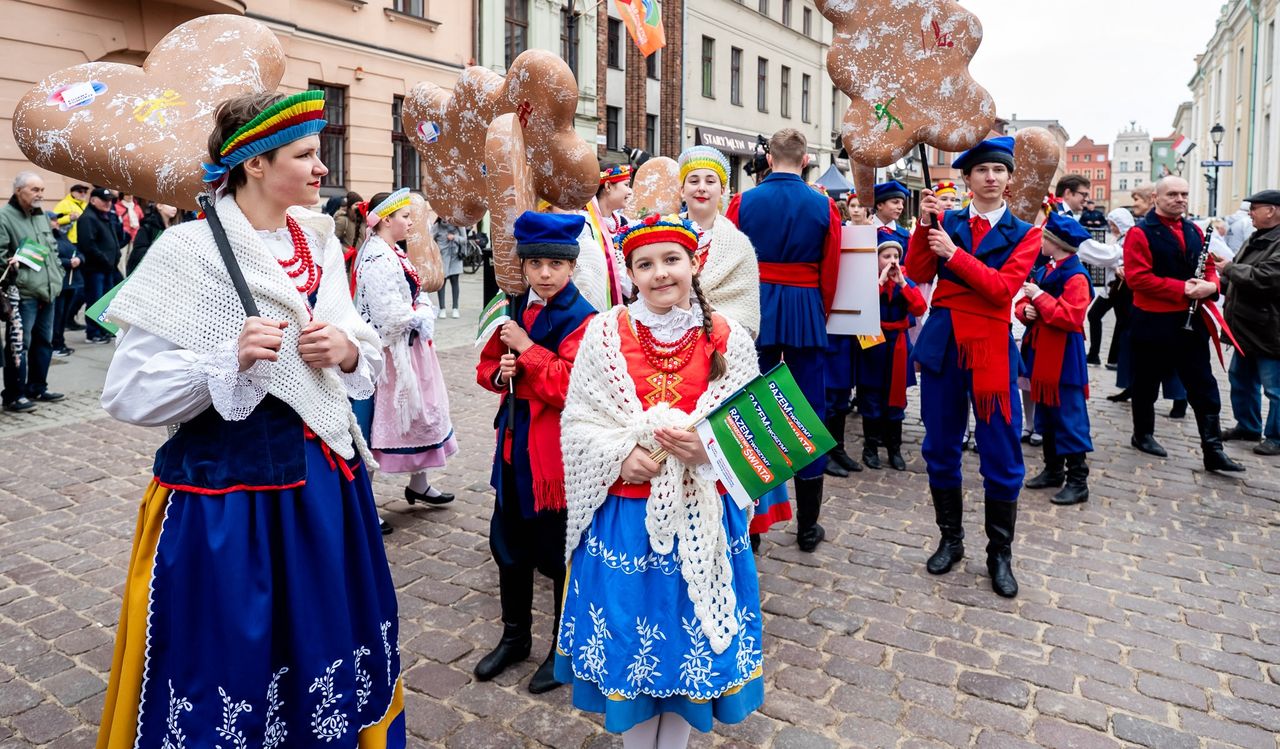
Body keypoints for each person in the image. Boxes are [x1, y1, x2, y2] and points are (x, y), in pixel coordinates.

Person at [96, 90, 405, 747]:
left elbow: (355, 333)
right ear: (255, 166)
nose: (322, 169)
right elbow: (126, 389)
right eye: (306, 155)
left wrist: (345, 347)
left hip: (323, 488)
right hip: (230, 499)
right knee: (228, 659)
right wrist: (223, 362)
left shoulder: (316, 243)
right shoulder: (188, 253)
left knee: (326, 636)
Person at [556, 213, 764, 749]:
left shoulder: (728, 338)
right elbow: (578, 419)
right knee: (634, 645)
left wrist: (708, 449)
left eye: (671, 260)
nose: (660, 273)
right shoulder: (605, 334)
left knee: (683, 650)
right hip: (626, 519)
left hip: (702, 520)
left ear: (694, 265)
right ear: (630, 275)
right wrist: (620, 453)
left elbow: (757, 433)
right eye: (644, 265)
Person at [906, 136, 1042, 598]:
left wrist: (954, 255)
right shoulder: (945, 222)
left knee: (1001, 450)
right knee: (940, 445)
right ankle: (951, 539)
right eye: (981, 170)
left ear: (1008, 179)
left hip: (990, 348)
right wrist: (923, 226)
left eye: (998, 170)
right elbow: (918, 271)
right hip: (945, 345)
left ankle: (999, 554)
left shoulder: (1027, 233)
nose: (990, 177)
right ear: (966, 179)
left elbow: (1003, 290)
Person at [474, 210, 596, 694]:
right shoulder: (510, 307)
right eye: (536, 264)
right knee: (509, 547)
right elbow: (484, 370)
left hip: (554, 461)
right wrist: (501, 372)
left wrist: (526, 349)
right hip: (513, 450)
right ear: (523, 266)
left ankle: (561, 650)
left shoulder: (584, 318)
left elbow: (573, 386)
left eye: (555, 264)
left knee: (557, 554)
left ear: (570, 267)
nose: (544, 273)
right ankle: (514, 637)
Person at [727, 128, 840, 552]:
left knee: (749, 411)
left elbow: (732, 261)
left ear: (770, 160)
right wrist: (819, 311)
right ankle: (808, 526)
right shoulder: (824, 206)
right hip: (805, 309)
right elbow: (831, 271)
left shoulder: (743, 201)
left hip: (755, 308)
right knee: (808, 412)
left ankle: (754, 527)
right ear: (806, 159)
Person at [352, 187, 458, 528]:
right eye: (405, 216)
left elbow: (413, 293)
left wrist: (422, 307)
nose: (410, 222)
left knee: (420, 418)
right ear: (385, 219)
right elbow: (389, 316)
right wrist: (421, 315)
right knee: (377, 426)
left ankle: (419, 484)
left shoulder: (391, 251)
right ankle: (364, 505)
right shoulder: (377, 258)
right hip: (390, 357)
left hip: (409, 351)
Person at [1123, 176, 1244, 473]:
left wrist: (1210, 287)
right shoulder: (1140, 233)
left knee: (1203, 383)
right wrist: (1183, 289)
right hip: (1152, 320)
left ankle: (1212, 449)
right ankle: (1143, 434)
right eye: (1173, 194)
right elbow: (1138, 278)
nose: (1180, 199)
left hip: (1191, 320)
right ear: (1156, 197)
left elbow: (1210, 268)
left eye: (1184, 194)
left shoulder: (1194, 230)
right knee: (1146, 381)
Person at [1017, 213, 1095, 505]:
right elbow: (1025, 301)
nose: (1040, 242)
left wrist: (1039, 298)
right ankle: (1053, 470)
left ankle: (1078, 479)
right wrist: (1026, 310)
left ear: (1056, 244)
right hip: (1042, 347)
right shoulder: (1048, 268)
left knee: (1069, 415)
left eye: (1044, 238)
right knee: (1047, 412)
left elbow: (1071, 316)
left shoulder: (1075, 275)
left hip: (1063, 352)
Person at [858, 232, 927, 472]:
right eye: (886, 256)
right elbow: (862, 306)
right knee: (872, 394)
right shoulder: (869, 280)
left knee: (895, 396)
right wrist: (879, 282)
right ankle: (871, 447)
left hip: (898, 342)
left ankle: (894, 448)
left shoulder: (906, 281)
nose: (892, 261)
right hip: (873, 341)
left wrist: (901, 283)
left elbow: (919, 308)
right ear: (876, 259)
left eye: (896, 256)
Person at [1219, 189, 1280, 456]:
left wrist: (1228, 269)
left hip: (1270, 328)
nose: (1250, 213)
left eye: (1255, 208)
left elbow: (1265, 277)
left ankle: (1276, 437)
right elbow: (1241, 274)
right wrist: (1217, 284)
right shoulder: (1258, 237)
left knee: (1275, 387)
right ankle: (1248, 425)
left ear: (1273, 211)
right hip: (1246, 326)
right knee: (1240, 378)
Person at [678, 145, 760, 337]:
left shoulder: (739, 245)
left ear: (722, 189)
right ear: (682, 190)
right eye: (694, 180)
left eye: (710, 181)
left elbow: (746, 315)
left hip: (718, 346)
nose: (701, 188)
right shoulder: (661, 235)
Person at [0, 171, 65, 411]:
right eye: (34, 190)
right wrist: (12, 265)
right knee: (19, 345)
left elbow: (52, 249)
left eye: (42, 190)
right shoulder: (4, 217)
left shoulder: (41, 216)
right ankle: (14, 394)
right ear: (18, 191)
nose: (40, 195)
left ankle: (38, 387)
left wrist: (57, 277)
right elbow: (0, 255)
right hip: (23, 293)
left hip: (48, 290)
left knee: (44, 342)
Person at [75, 187, 127, 343]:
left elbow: (113, 239)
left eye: (110, 200)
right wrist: (105, 259)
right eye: (104, 200)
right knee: (95, 300)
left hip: (108, 268)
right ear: (93, 200)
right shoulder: (87, 218)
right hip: (95, 269)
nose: (108, 203)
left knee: (106, 302)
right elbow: (88, 245)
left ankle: (104, 329)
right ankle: (93, 332)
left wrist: (115, 255)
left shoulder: (105, 216)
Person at [1085, 209, 1136, 366]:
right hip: (1112, 287)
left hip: (1120, 287)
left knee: (1120, 321)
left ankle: (1112, 358)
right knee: (1096, 316)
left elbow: (1127, 259)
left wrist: (1116, 265)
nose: (1112, 228)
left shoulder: (1130, 239)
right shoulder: (1120, 238)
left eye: (1114, 225)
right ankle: (1099, 356)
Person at [584, 164, 633, 307]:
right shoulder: (585, 225)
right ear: (608, 186)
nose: (630, 191)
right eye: (626, 185)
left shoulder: (623, 222)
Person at [48, 212, 83, 358]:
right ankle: (55, 344)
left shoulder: (62, 235)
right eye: (53, 220)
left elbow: (77, 251)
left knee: (63, 316)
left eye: (56, 219)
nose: (56, 222)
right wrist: (69, 262)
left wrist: (79, 259)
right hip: (59, 283)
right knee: (57, 316)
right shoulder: (47, 238)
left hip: (71, 282)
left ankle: (60, 343)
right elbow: (50, 257)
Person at [125, 202, 179, 274]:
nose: (174, 208)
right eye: (171, 204)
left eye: (176, 206)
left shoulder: (174, 227)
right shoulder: (148, 226)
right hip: (148, 271)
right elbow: (138, 252)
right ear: (159, 206)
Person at [432, 216, 466, 318]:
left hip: (455, 257)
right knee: (441, 284)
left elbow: (464, 240)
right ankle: (442, 308)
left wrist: (454, 237)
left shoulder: (458, 224)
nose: (445, 218)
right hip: (442, 258)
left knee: (455, 282)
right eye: (443, 215)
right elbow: (429, 239)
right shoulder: (437, 226)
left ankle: (455, 308)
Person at [872, 180, 912, 249]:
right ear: (879, 205)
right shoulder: (864, 230)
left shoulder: (905, 236)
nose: (901, 207)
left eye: (902, 203)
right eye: (895, 202)